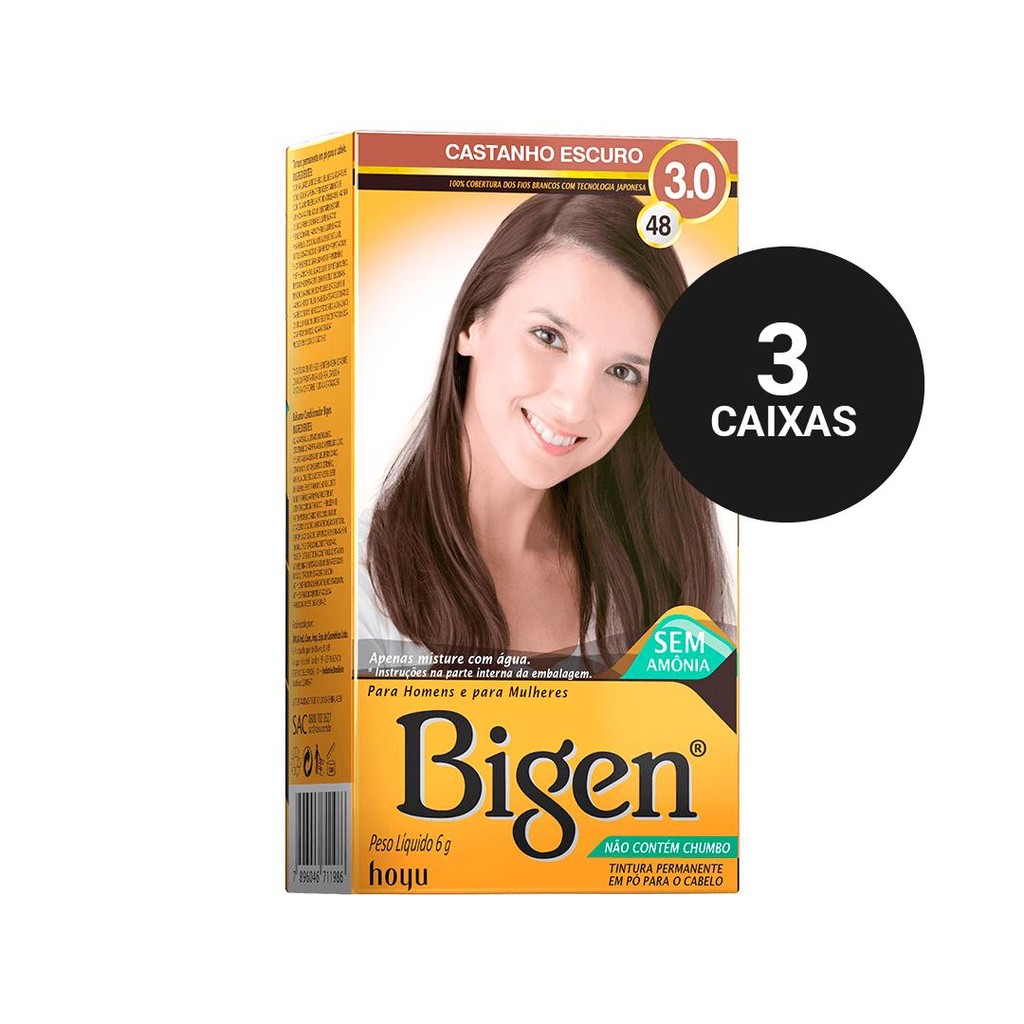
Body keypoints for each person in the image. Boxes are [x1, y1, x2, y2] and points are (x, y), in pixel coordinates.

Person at [360, 192, 731, 672]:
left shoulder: (667, 581)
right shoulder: (359, 583)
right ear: (473, 321)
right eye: (549, 337)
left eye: (623, 372)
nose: (574, 406)